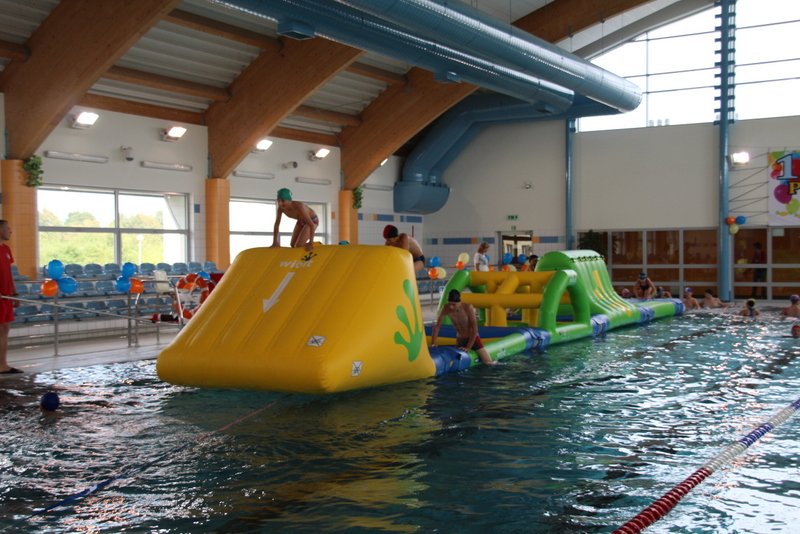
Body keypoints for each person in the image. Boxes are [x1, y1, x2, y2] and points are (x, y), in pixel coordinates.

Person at [430, 289, 494, 365]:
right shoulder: (446, 308)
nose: (451, 307)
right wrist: (433, 343)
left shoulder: (468, 307)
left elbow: (474, 329)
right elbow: (437, 327)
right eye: (449, 304)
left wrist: (468, 347)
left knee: (488, 363)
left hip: (473, 338)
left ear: (459, 302)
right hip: (460, 339)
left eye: (454, 304)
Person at [0, 220, 22, 374]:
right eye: (7, 228)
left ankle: (3, 364)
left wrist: (15, 294)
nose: (10, 231)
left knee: (4, 331)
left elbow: (9, 274)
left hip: (7, 297)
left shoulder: (6, 249)